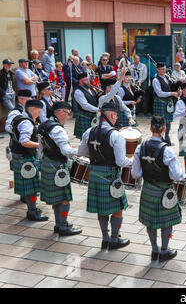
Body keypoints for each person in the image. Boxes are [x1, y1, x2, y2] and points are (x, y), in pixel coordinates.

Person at [77, 102, 133, 250]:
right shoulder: (116, 135)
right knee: (117, 208)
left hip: (95, 174)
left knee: (101, 208)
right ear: (113, 115)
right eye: (116, 116)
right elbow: (121, 161)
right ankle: (114, 239)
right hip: (110, 175)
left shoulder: (89, 131)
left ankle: (105, 238)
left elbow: (81, 152)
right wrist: (133, 161)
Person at [131, 116, 184, 262]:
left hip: (148, 189)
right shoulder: (168, 151)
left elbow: (135, 174)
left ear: (150, 128)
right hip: (164, 191)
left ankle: (154, 249)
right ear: (164, 129)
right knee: (166, 222)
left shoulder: (140, 147)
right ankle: (165, 250)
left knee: (150, 221)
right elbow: (176, 176)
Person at [38, 101, 82, 236]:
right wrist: (79, 151)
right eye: (67, 114)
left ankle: (59, 223)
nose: (68, 117)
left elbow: (40, 147)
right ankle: (63, 226)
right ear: (61, 112)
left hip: (47, 162)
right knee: (64, 198)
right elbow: (65, 151)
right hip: (57, 165)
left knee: (57, 198)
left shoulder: (44, 124)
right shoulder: (58, 129)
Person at [10, 99, 47, 221]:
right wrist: (40, 145)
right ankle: (32, 212)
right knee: (32, 188)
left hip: (19, 155)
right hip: (25, 158)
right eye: (39, 112)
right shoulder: (27, 123)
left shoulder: (19, 117)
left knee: (28, 185)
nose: (39, 114)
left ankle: (32, 209)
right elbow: (25, 141)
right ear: (32, 109)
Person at [152, 62, 180, 145]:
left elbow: (171, 87)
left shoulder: (167, 77)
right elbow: (159, 93)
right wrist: (172, 93)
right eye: (161, 69)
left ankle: (167, 138)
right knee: (160, 122)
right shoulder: (155, 80)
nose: (163, 71)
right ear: (157, 70)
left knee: (168, 121)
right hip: (160, 102)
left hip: (168, 102)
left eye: (164, 69)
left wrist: (177, 90)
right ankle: (160, 138)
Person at [73, 73, 99, 139]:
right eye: (86, 80)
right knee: (84, 138)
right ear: (80, 82)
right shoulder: (78, 91)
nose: (88, 82)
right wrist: (98, 109)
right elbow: (85, 105)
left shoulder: (91, 89)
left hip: (93, 115)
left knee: (93, 136)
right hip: (84, 116)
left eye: (88, 80)